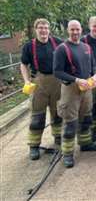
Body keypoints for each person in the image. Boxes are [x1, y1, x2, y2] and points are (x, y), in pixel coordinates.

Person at [54, 20, 96, 168]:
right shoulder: (62, 49)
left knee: (86, 118)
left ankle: (85, 143)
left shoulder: (86, 47)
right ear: (68, 30)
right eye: (72, 30)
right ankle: (67, 153)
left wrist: (95, 76)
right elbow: (57, 71)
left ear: (82, 30)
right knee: (70, 122)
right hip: (71, 90)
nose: (75, 32)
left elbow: (93, 65)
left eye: (77, 29)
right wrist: (76, 80)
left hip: (86, 88)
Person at [20, 18, 62, 160]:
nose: (43, 30)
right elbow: (23, 64)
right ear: (36, 29)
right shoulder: (29, 46)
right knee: (37, 117)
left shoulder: (57, 42)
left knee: (58, 113)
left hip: (57, 82)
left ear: (49, 29)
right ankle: (34, 145)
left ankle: (58, 137)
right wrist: (26, 81)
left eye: (45, 27)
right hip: (39, 83)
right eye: (40, 28)